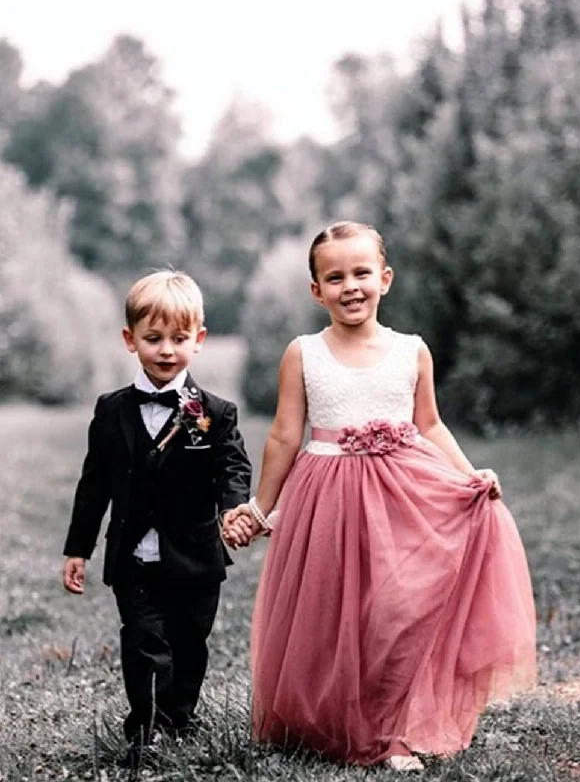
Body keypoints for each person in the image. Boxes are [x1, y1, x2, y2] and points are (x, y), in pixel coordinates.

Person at [222, 221, 536, 772]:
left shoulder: (412, 351)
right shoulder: (303, 353)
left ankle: (389, 731)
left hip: (403, 496)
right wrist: (260, 507)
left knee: (397, 609)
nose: (351, 286)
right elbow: (284, 436)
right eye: (335, 277)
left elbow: (431, 426)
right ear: (316, 290)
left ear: (384, 279)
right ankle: (330, 720)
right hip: (327, 501)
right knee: (332, 614)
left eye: (362, 273)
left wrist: (467, 475)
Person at [63, 270, 251, 766]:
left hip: (195, 556)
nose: (166, 350)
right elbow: (94, 484)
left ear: (199, 340)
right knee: (144, 642)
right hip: (134, 559)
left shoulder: (214, 412)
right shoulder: (111, 411)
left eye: (178, 339)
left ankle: (179, 717)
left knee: (189, 643)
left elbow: (232, 465)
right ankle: (143, 729)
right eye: (153, 339)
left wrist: (234, 508)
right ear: (130, 340)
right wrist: (78, 548)